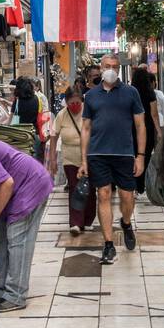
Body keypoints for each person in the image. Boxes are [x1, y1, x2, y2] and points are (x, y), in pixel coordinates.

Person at [0, 136, 54, 312]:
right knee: (0, 237)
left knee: (17, 240)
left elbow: (7, 183)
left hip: (30, 185)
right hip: (10, 194)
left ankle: (16, 295)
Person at [78, 52, 145, 264]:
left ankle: (126, 223)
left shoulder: (131, 93)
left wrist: (141, 156)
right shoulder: (91, 96)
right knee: (103, 195)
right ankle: (108, 244)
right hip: (98, 154)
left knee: (128, 197)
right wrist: (83, 160)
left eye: (115, 66)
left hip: (124, 153)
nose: (111, 69)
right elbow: (86, 128)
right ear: (100, 67)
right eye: (108, 65)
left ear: (119, 68)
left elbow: (140, 125)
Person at [48, 85, 96, 235]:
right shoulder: (62, 115)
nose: (74, 106)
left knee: (89, 189)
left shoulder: (88, 112)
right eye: (71, 103)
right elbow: (54, 136)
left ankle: (88, 220)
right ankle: (76, 223)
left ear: (82, 101)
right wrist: (52, 159)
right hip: (70, 157)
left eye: (77, 103)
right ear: (66, 102)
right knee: (75, 189)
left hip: (89, 157)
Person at [132, 65, 160, 195]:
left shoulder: (131, 92)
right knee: (145, 156)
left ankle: (134, 183)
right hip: (147, 127)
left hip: (132, 127)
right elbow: (154, 114)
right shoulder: (150, 93)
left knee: (133, 155)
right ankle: (141, 185)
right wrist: (159, 131)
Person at [13, 77, 41, 157]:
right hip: (34, 134)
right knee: (34, 160)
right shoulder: (36, 99)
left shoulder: (18, 101)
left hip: (20, 136)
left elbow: (10, 119)